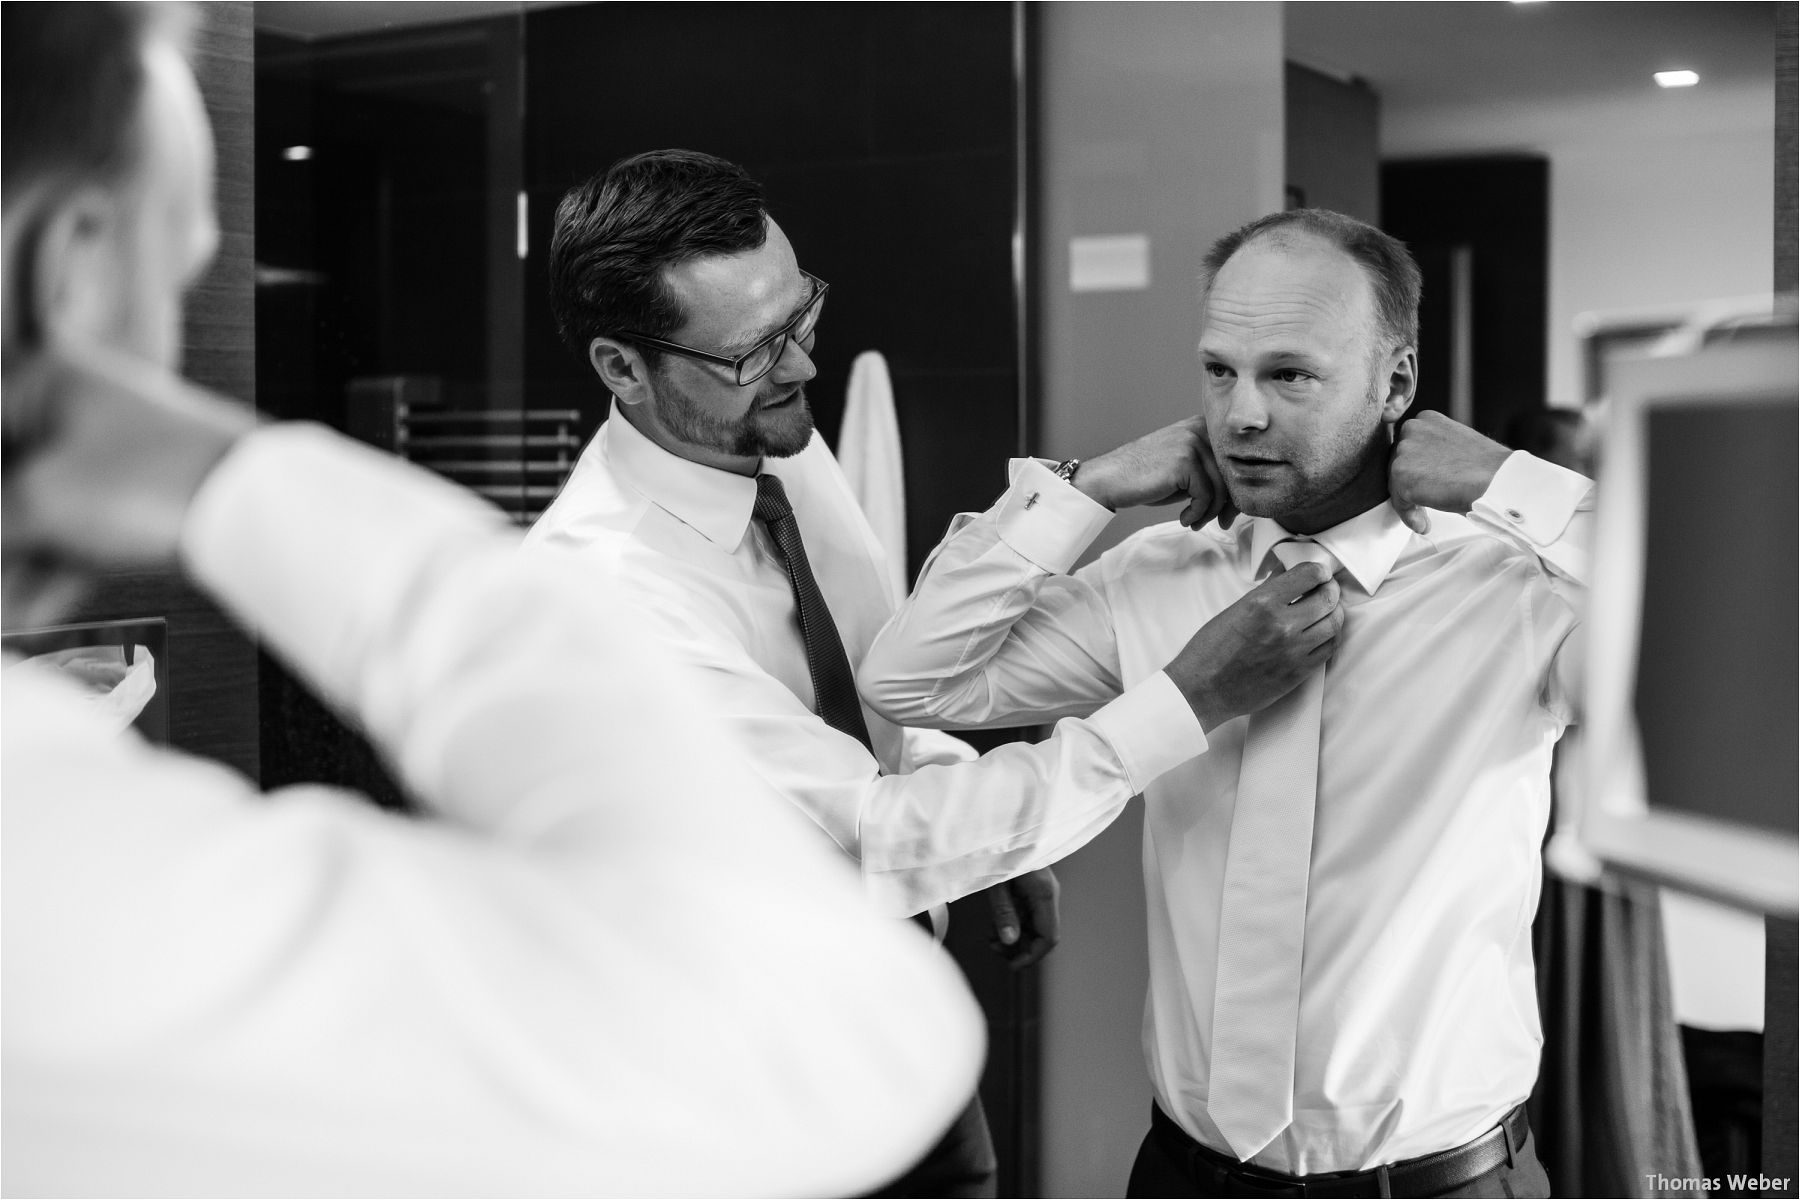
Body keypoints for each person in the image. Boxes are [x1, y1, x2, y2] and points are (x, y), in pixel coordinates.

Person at [2, 6, 987, 1195]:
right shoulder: (56, 866)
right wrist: (246, 481)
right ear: (68, 273)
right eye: (188, 262)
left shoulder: (787, 454)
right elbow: (824, 1040)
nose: (798, 366)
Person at [522, 149, 1337, 1195]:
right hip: (745, 1087)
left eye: (800, 315)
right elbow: (873, 834)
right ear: (622, 368)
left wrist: (983, 838)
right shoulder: (603, 592)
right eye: (752, 352)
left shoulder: (774, 442)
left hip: (898, 1024)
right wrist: (1192, 699)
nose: (802, 368)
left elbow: (877, 690)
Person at [861, 208, 1595, 1197]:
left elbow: (1726, 648)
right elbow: (910, 677)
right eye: (1220, 370)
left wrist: (1519, 486)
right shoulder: (1161, 575)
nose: (1240, 414)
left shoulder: (1518, 595)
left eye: (1290, 374)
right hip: (1180, 1174)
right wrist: (1089, 489)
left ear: (1399, 383)